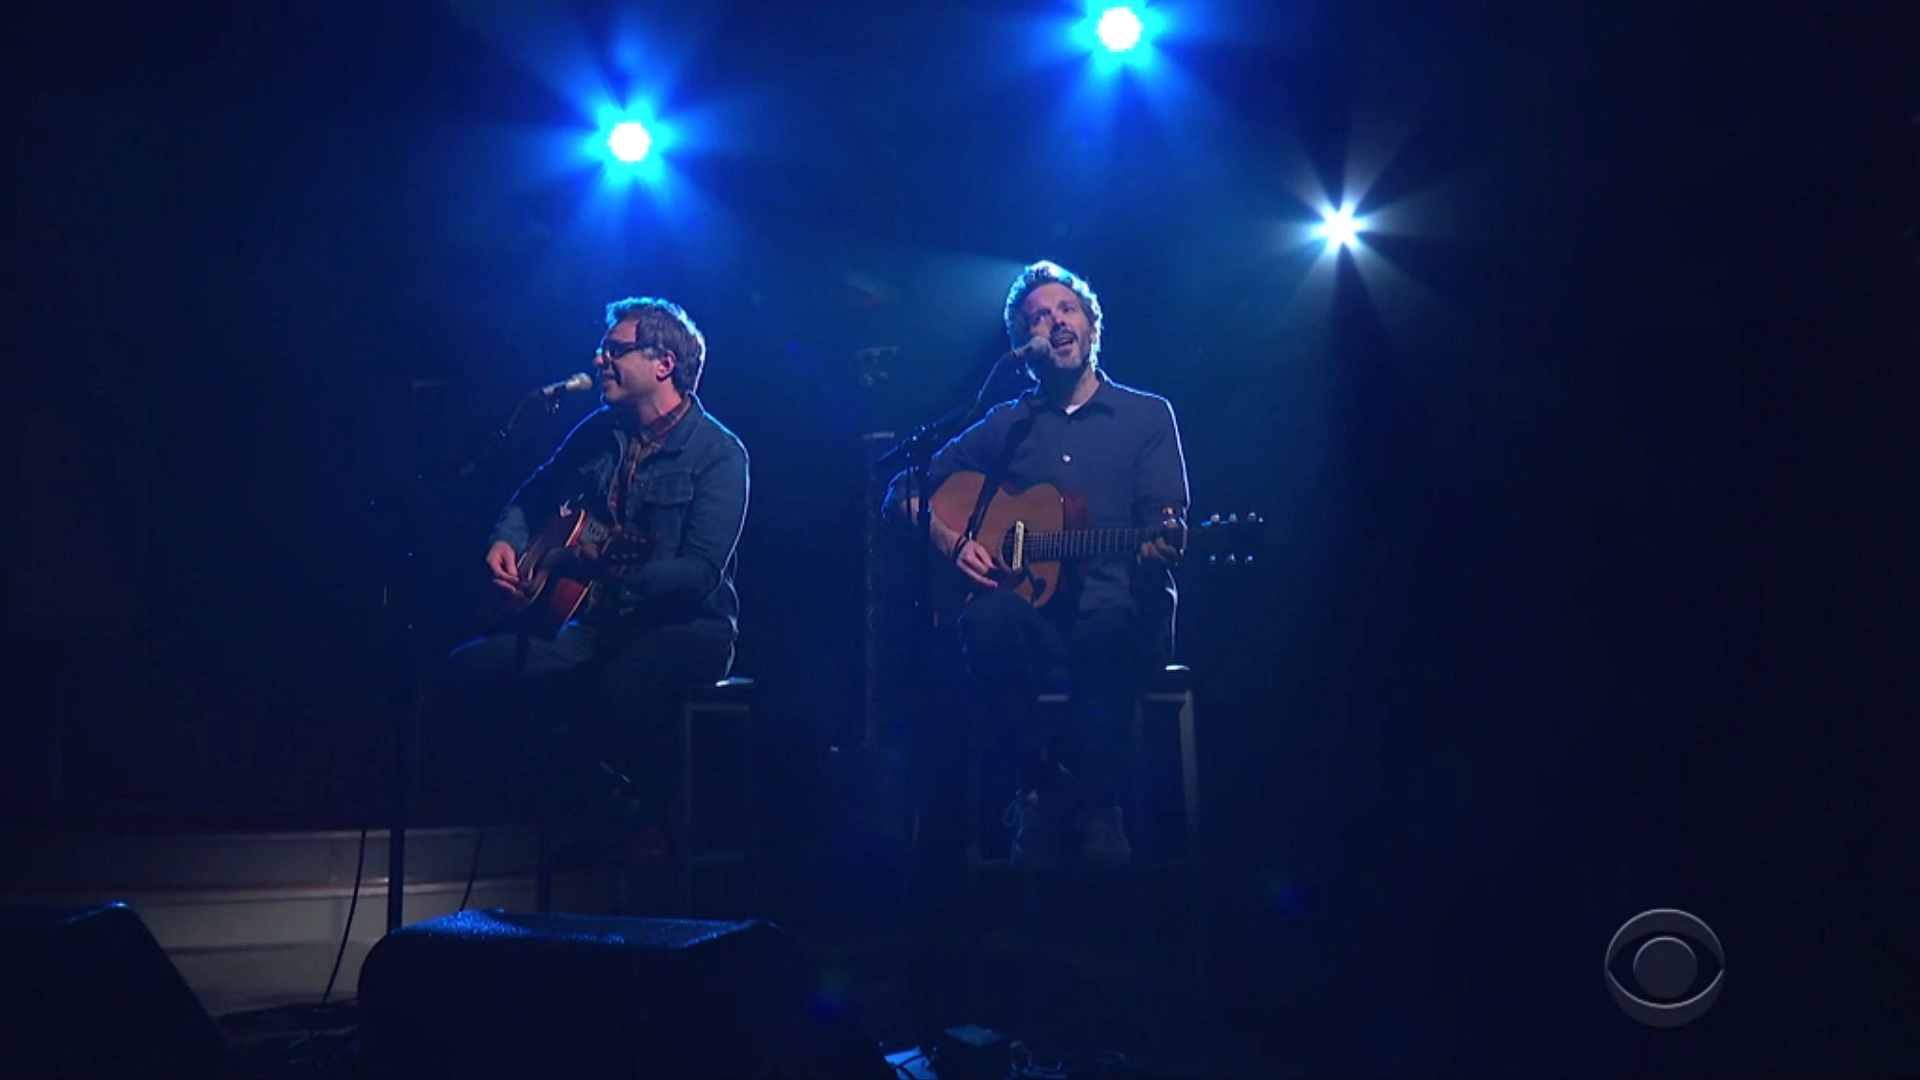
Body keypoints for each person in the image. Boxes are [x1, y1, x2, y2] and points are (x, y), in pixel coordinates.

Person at [885, 260, 1188, 865]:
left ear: (1092, 326)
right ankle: (1035, 785)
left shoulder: (1146, 416)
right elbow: (901, 491)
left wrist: (1164, 543)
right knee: (985, 621)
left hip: (1118, 616)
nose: (1055, 323)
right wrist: (952, 542)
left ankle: (1096, 802)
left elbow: (1165, 520)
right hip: (1039, 626)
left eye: (1067, 310)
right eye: (1038, 318)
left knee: (1109, 628)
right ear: (1023, 347)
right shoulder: (1006, 424)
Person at [438, 296, 749, 856]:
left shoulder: (719, 454)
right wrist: (505, 543)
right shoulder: (595, 433)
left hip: (689, 629)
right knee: (473, 666)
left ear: (663, 364)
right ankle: (564, 808)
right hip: (597, 623)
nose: (599, 359)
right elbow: (529, 499)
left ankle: (651, 815)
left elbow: (699, 574)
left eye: (614, 349)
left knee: (620, 685)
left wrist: (607, 574)